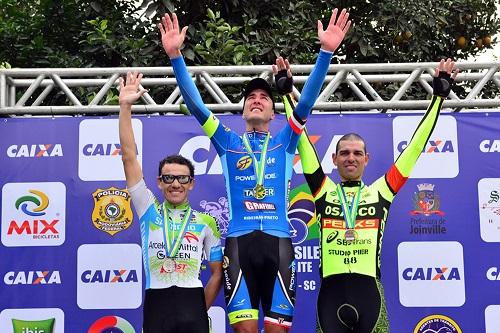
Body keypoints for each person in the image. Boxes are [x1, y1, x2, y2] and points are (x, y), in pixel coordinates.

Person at [158, 9, 351, 333]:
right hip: (238, 244)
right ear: (243, 109)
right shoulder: (227, 141)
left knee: (277, 331)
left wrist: (326, 53)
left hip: (279, 244)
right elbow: (196, 105)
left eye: (264, 96)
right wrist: (176, 56)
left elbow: (304, 105)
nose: (257, 100)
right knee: (245, 331)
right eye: (251, 97)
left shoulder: (286, 141)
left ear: (275, 113)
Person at [278, 58, 459, 332]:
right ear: (335, 159)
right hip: (330, 296)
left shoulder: (381, 192)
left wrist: (438, 98)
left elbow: (415, 146)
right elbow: (301, 140)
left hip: (369, 295)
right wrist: (285, 94)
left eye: (357, 153)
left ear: (366, 159)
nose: (351, 158)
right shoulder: (322, 191)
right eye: (345, 153)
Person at [118, 71, 223, 333]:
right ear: (159, 182)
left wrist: (200, 308)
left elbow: (217, 273)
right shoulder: (148, 209)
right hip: (157, 302)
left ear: (192, 183)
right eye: (169, 178)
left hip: (192, 301)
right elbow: (129, 158)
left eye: (182, 179)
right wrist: (125, 107)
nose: (175, 184)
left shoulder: (205, 221)